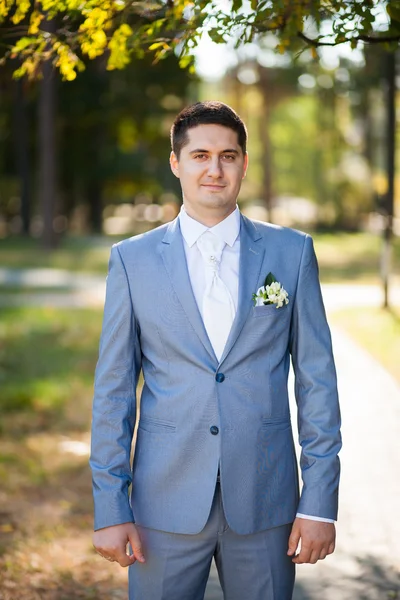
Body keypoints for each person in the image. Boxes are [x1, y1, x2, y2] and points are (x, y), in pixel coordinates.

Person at [90, 100, 342, 600]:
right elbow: (114, 391)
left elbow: (318, 383)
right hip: (164, 502)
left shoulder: (291, 253)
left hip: (267, 503)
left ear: (244, 164)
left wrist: (319, 504)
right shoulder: (131, 260)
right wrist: (110, 508)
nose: (214, 168)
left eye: (228, 156)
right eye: (201, 154)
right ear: (176, 163)